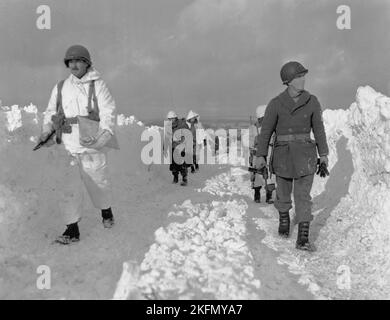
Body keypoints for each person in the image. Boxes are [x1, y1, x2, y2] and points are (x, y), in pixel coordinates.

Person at [38, 45, 118, 245]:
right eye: (70, 61)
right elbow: (50, 111)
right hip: (67, 145)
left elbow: (108, 110)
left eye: (78, 61)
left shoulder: (97, 85)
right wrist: (46, 130)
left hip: (92, 142)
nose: (73, 65)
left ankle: (106, 210)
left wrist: (106, 132)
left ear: (86, 63)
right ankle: (72, 229)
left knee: (98, 182)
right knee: (68, 187)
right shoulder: (60, 87)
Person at [255, 61, 329, 251]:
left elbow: (319, 130)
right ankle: (284, 219)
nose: (303, 79)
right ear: (288, 81)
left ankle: (303, 237)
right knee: (283, 193)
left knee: (303, 196)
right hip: (283, 156)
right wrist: (261, 155)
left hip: (306, 155)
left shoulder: (312, 101)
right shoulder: (276, 104)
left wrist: (324, 155)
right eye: (299, 77)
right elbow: (266, 132)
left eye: (303, 76)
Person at [249, 105, 276, 204]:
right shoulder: (254, 128)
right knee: (257, 173)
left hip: (269, 151)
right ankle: (257, 193)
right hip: (257, 153)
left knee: (269, 173)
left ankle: (269, 194)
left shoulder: (272, 126)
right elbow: (251, 142)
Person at [165, 111, 190, 186]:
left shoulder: (182, 124)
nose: (170, 120)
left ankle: (184, 179)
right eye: (169, 119)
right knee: (174, 165)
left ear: (175, 117)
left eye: (171, 118)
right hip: (173, 147)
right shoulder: (169, 126)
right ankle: (175, 177)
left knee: (182, 164)